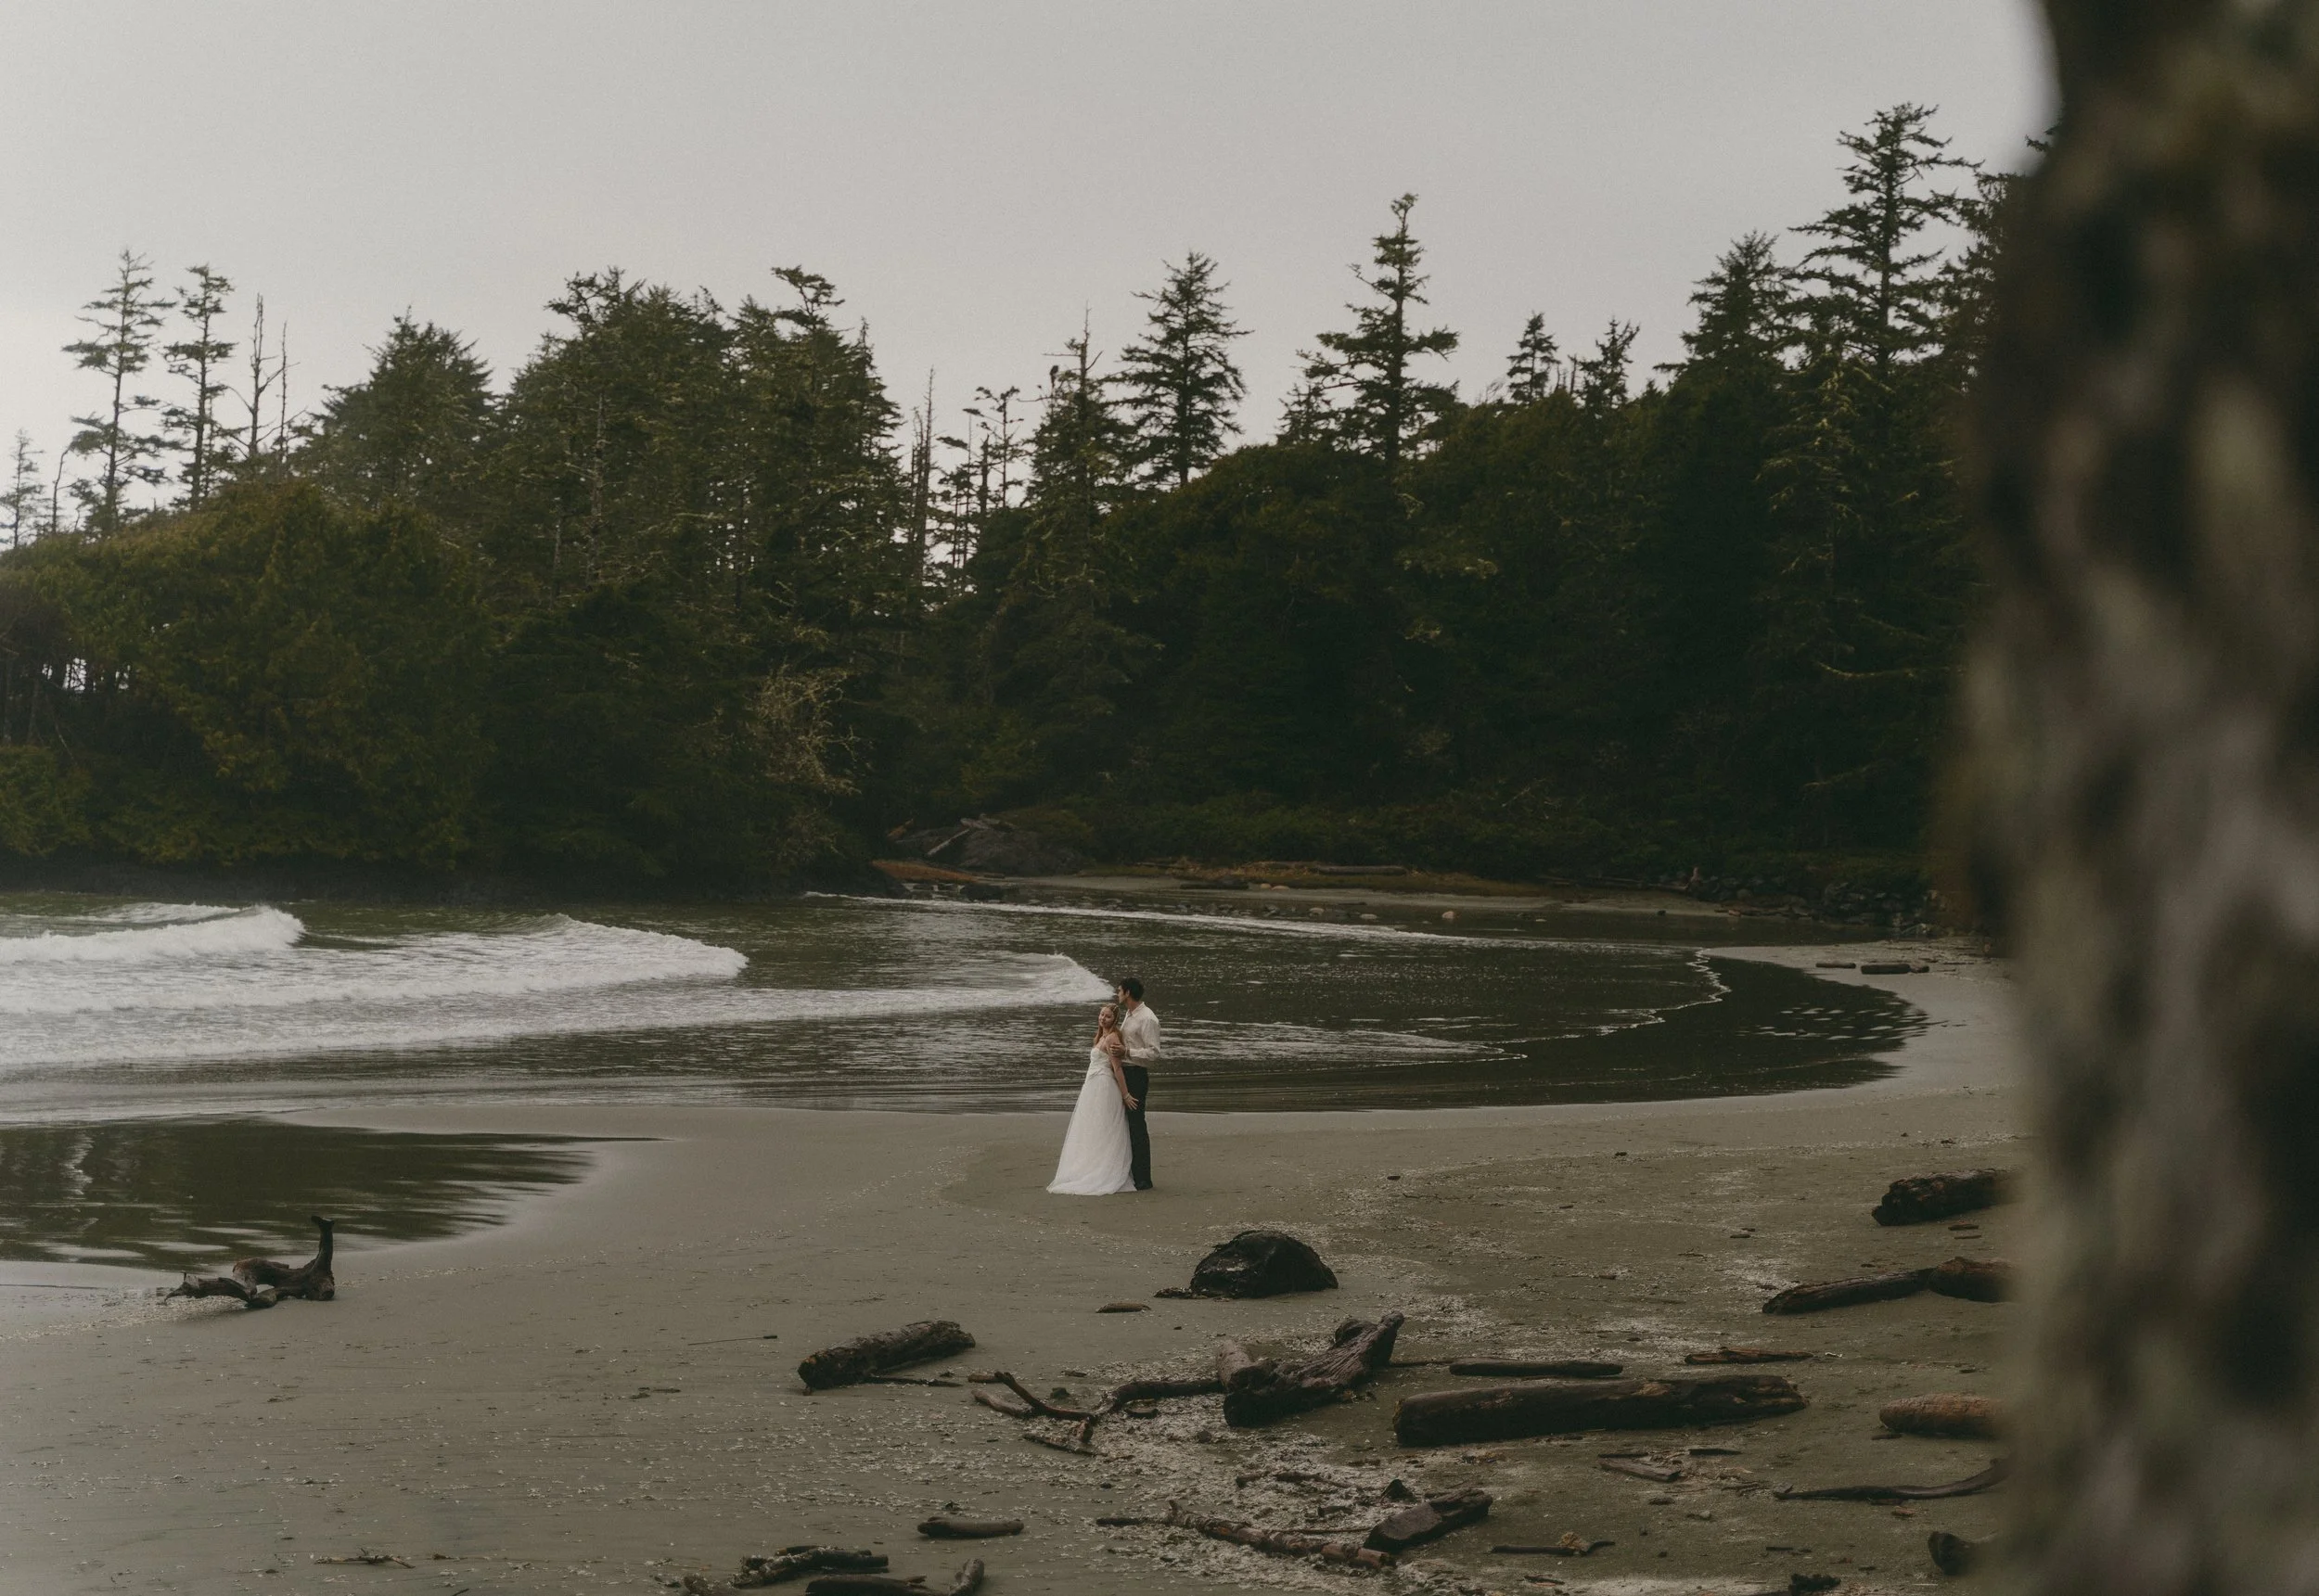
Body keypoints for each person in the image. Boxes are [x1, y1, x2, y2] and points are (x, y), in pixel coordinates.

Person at [1045, 1004, 1138, 1195]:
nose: (1103, 1018)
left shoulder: (1112, 1037)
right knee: (1092, 1126)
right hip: (1092, 1084)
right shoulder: (1100, 1037)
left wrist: (1125, 1094)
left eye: (1108, 1016)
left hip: (1104, 1086)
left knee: (1103, 1125)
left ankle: (1104, 1169)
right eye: (1102, 1014)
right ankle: (1090, 1164)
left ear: (1114, 1019)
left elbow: (1117, 1068)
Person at [1114, 976, 1160, 1190]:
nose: (1117, 994)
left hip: (1137, 1075)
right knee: (1127, 1124)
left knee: (1137, 1124)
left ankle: (1143, 1178)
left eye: (1120, 990)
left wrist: (1127, 1052)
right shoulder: (1129, 1015)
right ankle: (1131, 1173)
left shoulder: (1147, 1018)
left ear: (1128, 993)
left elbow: (1153, 1054)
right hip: (1125, 1072)